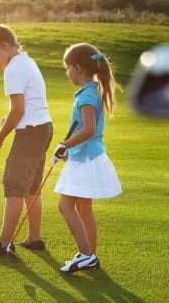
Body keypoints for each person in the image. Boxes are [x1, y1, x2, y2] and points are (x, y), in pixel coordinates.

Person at [0, 24, 53, 256]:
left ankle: (3, 243)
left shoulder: (13, 69)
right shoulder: (27, 62)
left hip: (30, 132)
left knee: (14, 186)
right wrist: (8, 120)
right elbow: (24, 106)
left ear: (4, 46)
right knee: (31, 187)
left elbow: (18, 109)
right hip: (43, 128)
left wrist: (0, 137)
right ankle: (34, 238)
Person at [51, 43, 122, 273]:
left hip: (85, 159)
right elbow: (86, 129)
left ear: (78, 68)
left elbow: (89, 128)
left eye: (68, 68)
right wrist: (69, 150)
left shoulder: (87, 96)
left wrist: (64, 144)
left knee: (65, 206)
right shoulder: (91, 91)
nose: (67, 72)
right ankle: (89, 254)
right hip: (87, 155)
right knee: (84, 208)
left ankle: (86, 255)